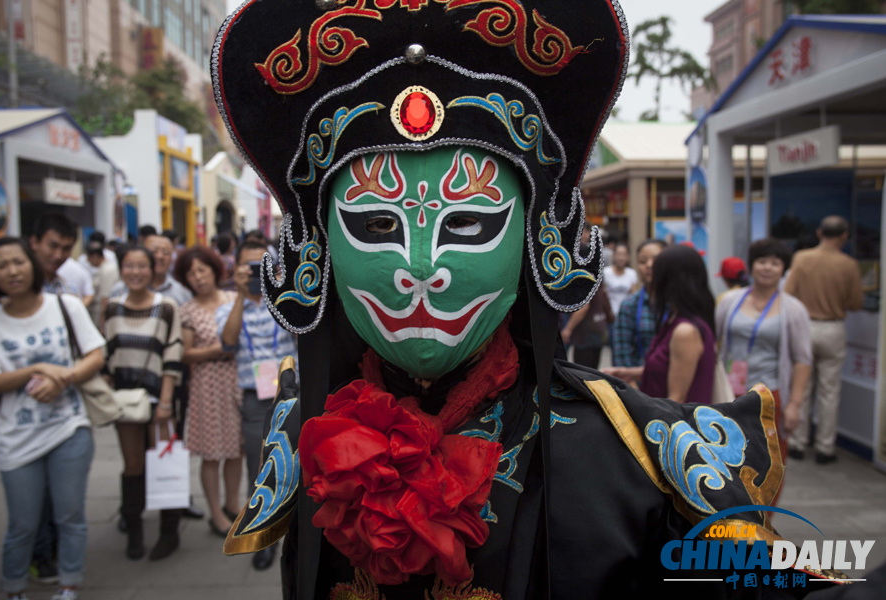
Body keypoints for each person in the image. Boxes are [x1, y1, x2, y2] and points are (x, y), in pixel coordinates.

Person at [212, 0, 856, 595]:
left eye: (466, 224)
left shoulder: (635, 458)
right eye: (377, 225)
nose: (419, 269)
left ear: (533, 242)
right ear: (320, 247)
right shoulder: (306, 436)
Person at [0, 237, 105, 600]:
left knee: (70, 516)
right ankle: (14, 587)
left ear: (32, 264)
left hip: (69, 428)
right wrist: (37, 370)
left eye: (18, 262)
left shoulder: (65, 305)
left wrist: (63, 379)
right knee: (21, 524)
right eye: (2, 265)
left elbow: (96, 354)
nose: (12, 271)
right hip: (17, 437)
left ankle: (69, 584)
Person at [216, 239, 297, 571]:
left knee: (295, 467)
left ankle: (293, 533)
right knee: (259, 468)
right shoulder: (230, 305)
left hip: (291, 393)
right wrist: (239, 294)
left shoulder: (283, 300)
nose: (254, 272)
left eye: (260, 265)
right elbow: (228, 342)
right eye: (248, 267)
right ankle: (264, 538)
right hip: (254, 398)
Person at [716, 238, 812, 506]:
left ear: (783, 269)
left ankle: (762, 523)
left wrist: (795, 404)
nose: (767, 268)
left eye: (775, 262)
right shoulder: (730, 301)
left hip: (771, 396)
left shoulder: (794, 309)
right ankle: (731, 516)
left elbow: (803, 360)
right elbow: (716, 343)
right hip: (730, 392)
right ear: (751, 265)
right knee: (727, 456)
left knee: (771, 461)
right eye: (762, 261)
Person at [104, 245, 184, 561]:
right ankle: (134, 531)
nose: (135, 272)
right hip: (125, 401)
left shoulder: (166, 307)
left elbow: (173, 355)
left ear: (152, 270)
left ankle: (169, 533)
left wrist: (165, 403)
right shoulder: (111, 308)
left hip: (159, 399)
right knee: (133, 466)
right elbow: (107, 356)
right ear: (121, 269)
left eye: (142, 266)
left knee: (163, 463)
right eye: (129, 266)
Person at [173, 247, 243, 538]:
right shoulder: (187, 310)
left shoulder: (231, 299)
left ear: (215, 270)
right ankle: (215, 513)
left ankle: (233, 504)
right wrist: (221, 349)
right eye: (191, 272)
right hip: (207, 384)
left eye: (202, 270)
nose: (197, 277)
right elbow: (185, 354)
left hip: (237, 379)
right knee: (212, 453)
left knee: (236, 449)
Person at [785, 216, 864, 464]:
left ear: (819, 233)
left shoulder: (802, 258)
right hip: (833, 328)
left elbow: (788, 293)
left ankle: (797, 442)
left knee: (802, 388)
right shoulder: (849, 264)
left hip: (804, 325)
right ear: (844, 236)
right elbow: (856, 302)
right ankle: (825, 447)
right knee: (829, 391)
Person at [606, 245, 717, 404]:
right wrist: (629, 373)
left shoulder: (685, 331)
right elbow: (670, 370)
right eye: (643, 261)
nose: (650, 270)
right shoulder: (676, 319)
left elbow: (676, 400)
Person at [611, 239, 667, 367]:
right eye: (642, 261)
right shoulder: (629, 306)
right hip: (637, 385)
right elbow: (622, 358)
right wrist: (632, 385)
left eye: (655, 259)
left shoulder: (677, 304)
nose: (649, 265)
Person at [109, 234, 192, 306]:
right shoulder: (120, 290)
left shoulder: (182, 293)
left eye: (166, 252)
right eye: (153, 251)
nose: (160, 256)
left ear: (172, 257)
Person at [560, 284, 613, 368]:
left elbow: (583, 307)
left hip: (585, 334)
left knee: (583, 372)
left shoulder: (584, 281)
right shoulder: (597, 279)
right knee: (592, 371)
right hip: (598, 327)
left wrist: (568, 329)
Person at [602, 243, 638, 318]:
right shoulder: (606, 272)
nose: (621, 258)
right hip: (609, 315)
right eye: (618, 254)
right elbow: (602, 294)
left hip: (626, 315)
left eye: (624, 254)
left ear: (628, 257)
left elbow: (634, 295)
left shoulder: (632, 274)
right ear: (614, 256)